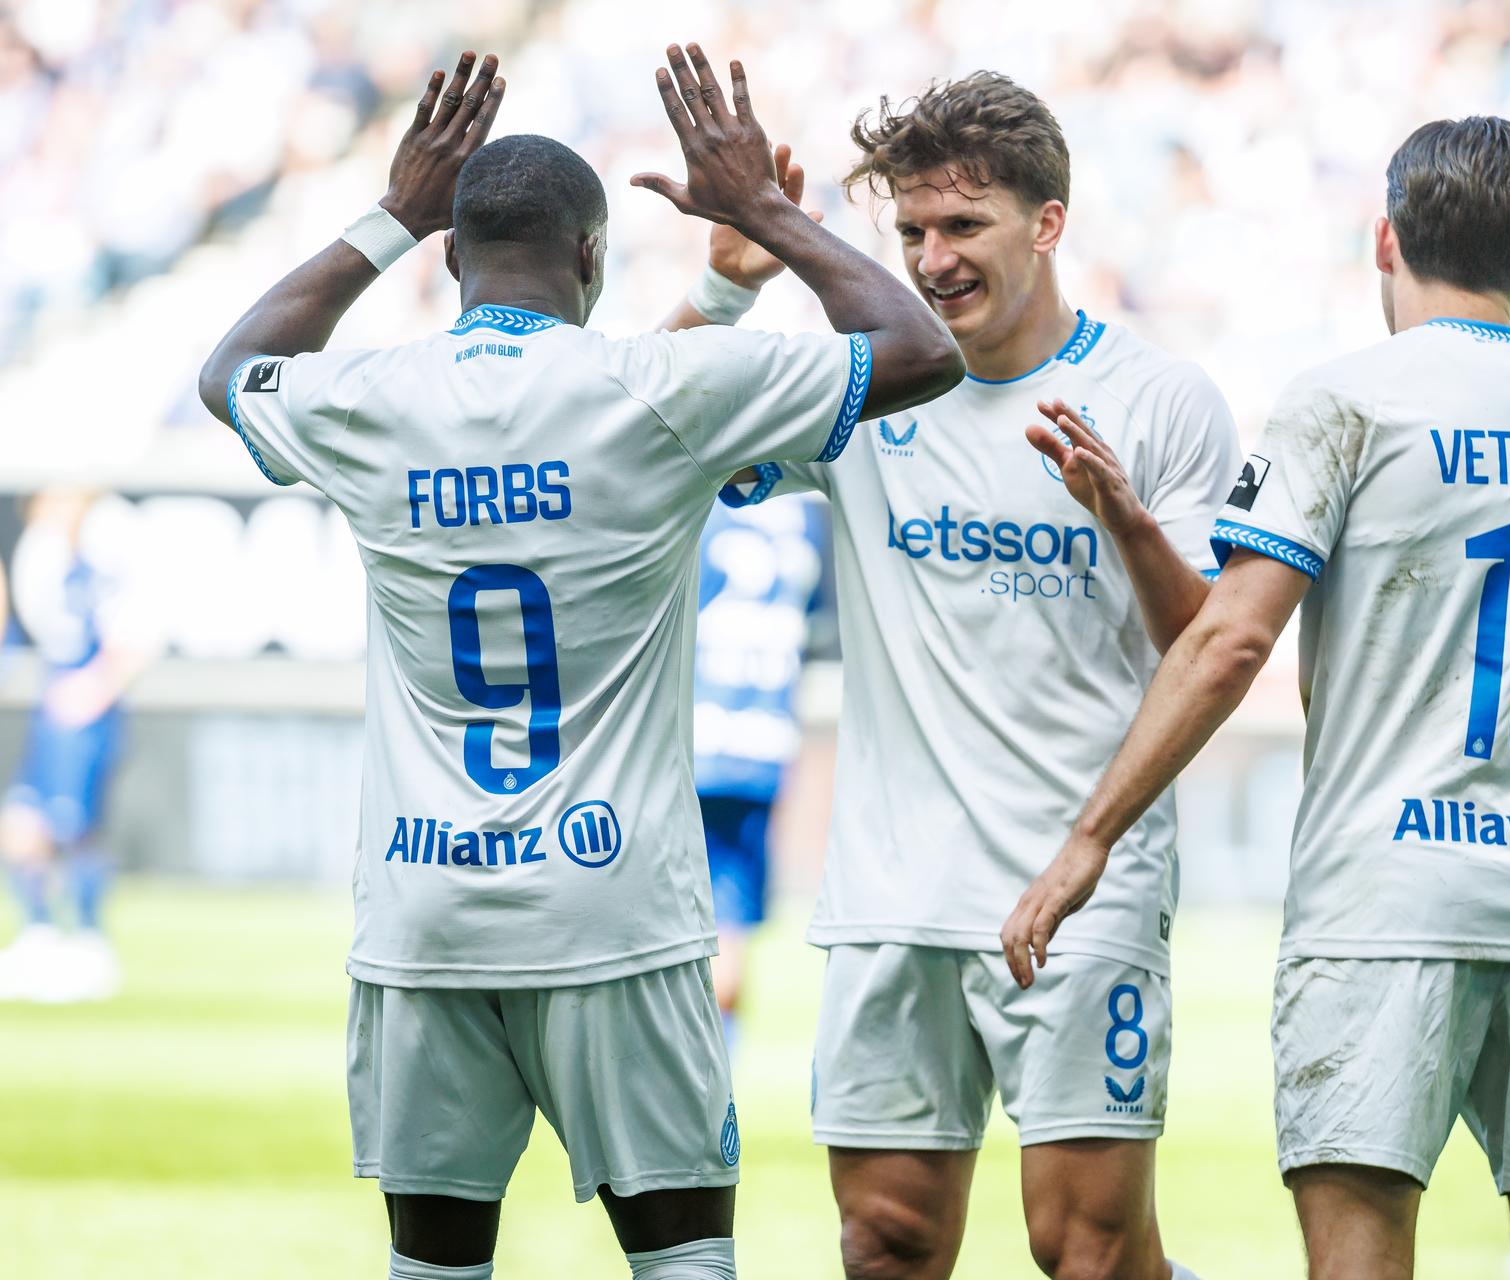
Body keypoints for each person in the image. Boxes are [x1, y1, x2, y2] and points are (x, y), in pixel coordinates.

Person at [194, 44, 961, 1280]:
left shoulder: (370, 398)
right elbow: (920, 350)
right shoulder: (652, 389)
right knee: (684, 1260)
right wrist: (763, 211)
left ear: (453, 256)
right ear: (594, 258)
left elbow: (229, 374)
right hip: (614, 911)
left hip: (425, 916)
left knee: (435, 1269)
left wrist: (390, 212)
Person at [1004, 117, 1510, 1280]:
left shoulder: (1347, 400)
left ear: (1384, 240)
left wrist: (1089, 836)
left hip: (1387, 896)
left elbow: (1230, 640)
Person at [670, 72, 1237, 1280]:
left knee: (1089, 1253)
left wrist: (1127, 520)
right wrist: (724, 287)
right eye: (914, 231)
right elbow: (643, 424)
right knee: (885, 1242)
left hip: (1081, 891)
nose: (934, 260)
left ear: (1049, 222)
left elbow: (1204, 646)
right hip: (893, 892)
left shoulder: (1159, 398)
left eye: (964, 226)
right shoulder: (857, 387)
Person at [0, 488, 149, 1003]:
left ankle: (89, 943)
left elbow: (135, 637)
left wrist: (95, 688)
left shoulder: (111, 551)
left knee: (75, 828)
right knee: (22, 822)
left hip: (87, 710)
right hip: (54, 698)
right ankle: (39, 934)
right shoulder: (42, 555)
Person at [691, 493, 826, 1048]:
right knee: (729, 928)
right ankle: (719, 1074)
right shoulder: (805, 518)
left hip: (692, 740)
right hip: (763, 746)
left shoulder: (705, 506)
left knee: (673, 933)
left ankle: (691, 1071)